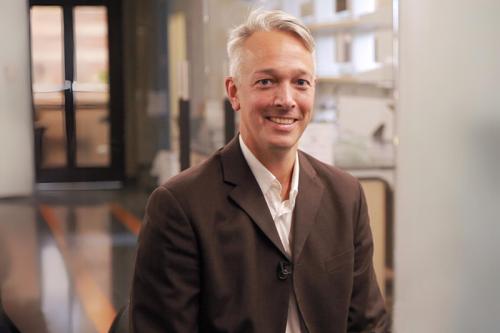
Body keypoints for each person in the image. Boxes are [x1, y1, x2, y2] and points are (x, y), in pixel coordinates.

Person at [130, 9, 390, 333]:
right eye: (266, 81)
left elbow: (368, 323)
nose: (286, 99)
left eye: (300, 82)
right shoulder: (180, 206)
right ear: (234, 92)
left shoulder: (345, 195)